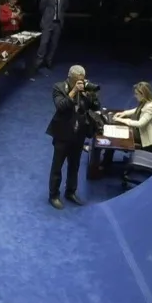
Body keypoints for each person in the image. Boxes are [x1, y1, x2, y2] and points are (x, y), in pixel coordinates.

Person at [46, 65, 100, 210]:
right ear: (70, 77)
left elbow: (96, 107)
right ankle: (54, 195)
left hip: (79, 134)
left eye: (82, 79)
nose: (81, 82)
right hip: (63, 134)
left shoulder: (85, 89)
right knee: (57, 166)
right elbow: (61, 106)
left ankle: (71, 192)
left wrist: (91, 95)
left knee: (74, 166)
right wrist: (74, 91)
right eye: (77, 80)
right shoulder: (59, 87)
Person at [111, 81, 152, 150]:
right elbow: (138, 109)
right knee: (116, 127)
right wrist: (124, 113)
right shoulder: (146, 102)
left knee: (115, 133)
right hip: (138, 130)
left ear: (143, 94)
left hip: (142, 136)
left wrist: (122, 120)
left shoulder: (151, 107)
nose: (135, 96)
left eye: (136, 94)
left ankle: (107, 157)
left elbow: (140, 124)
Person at [36, 0, 68, 73]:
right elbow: (41, 7)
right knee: (44, 43)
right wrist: (47, 16)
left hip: (58, 23)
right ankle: (38, 61)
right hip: (47, 22)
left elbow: (65, 7)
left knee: (54, 44)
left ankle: (49, 60)